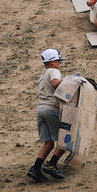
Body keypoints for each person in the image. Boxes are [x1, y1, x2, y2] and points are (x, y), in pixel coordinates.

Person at [28, 49, 68, 183]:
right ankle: (52, 164)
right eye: (58, 61)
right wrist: (70, 81)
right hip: (52, 109)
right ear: (51, 62)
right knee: (65, 139)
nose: (59, 64)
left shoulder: (42, 74)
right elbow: (56, 83)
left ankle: (36, 168)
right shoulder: (53, 71)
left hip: (41, 109)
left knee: (49, 142)